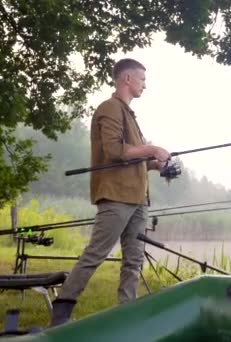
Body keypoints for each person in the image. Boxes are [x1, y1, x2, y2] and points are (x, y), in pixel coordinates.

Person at [50, 58, 171, 326]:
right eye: (142, 79)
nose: (145, 85)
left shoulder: (130, 115)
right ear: (127, 79)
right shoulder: (109, 108)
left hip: (138, 199)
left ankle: (127, 313)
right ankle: (62, 310)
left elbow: (133, 159)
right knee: (96, 253)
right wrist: (152, 148)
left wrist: (154, 164)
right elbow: (115, 151)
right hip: (117, 197)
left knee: (134, 259)